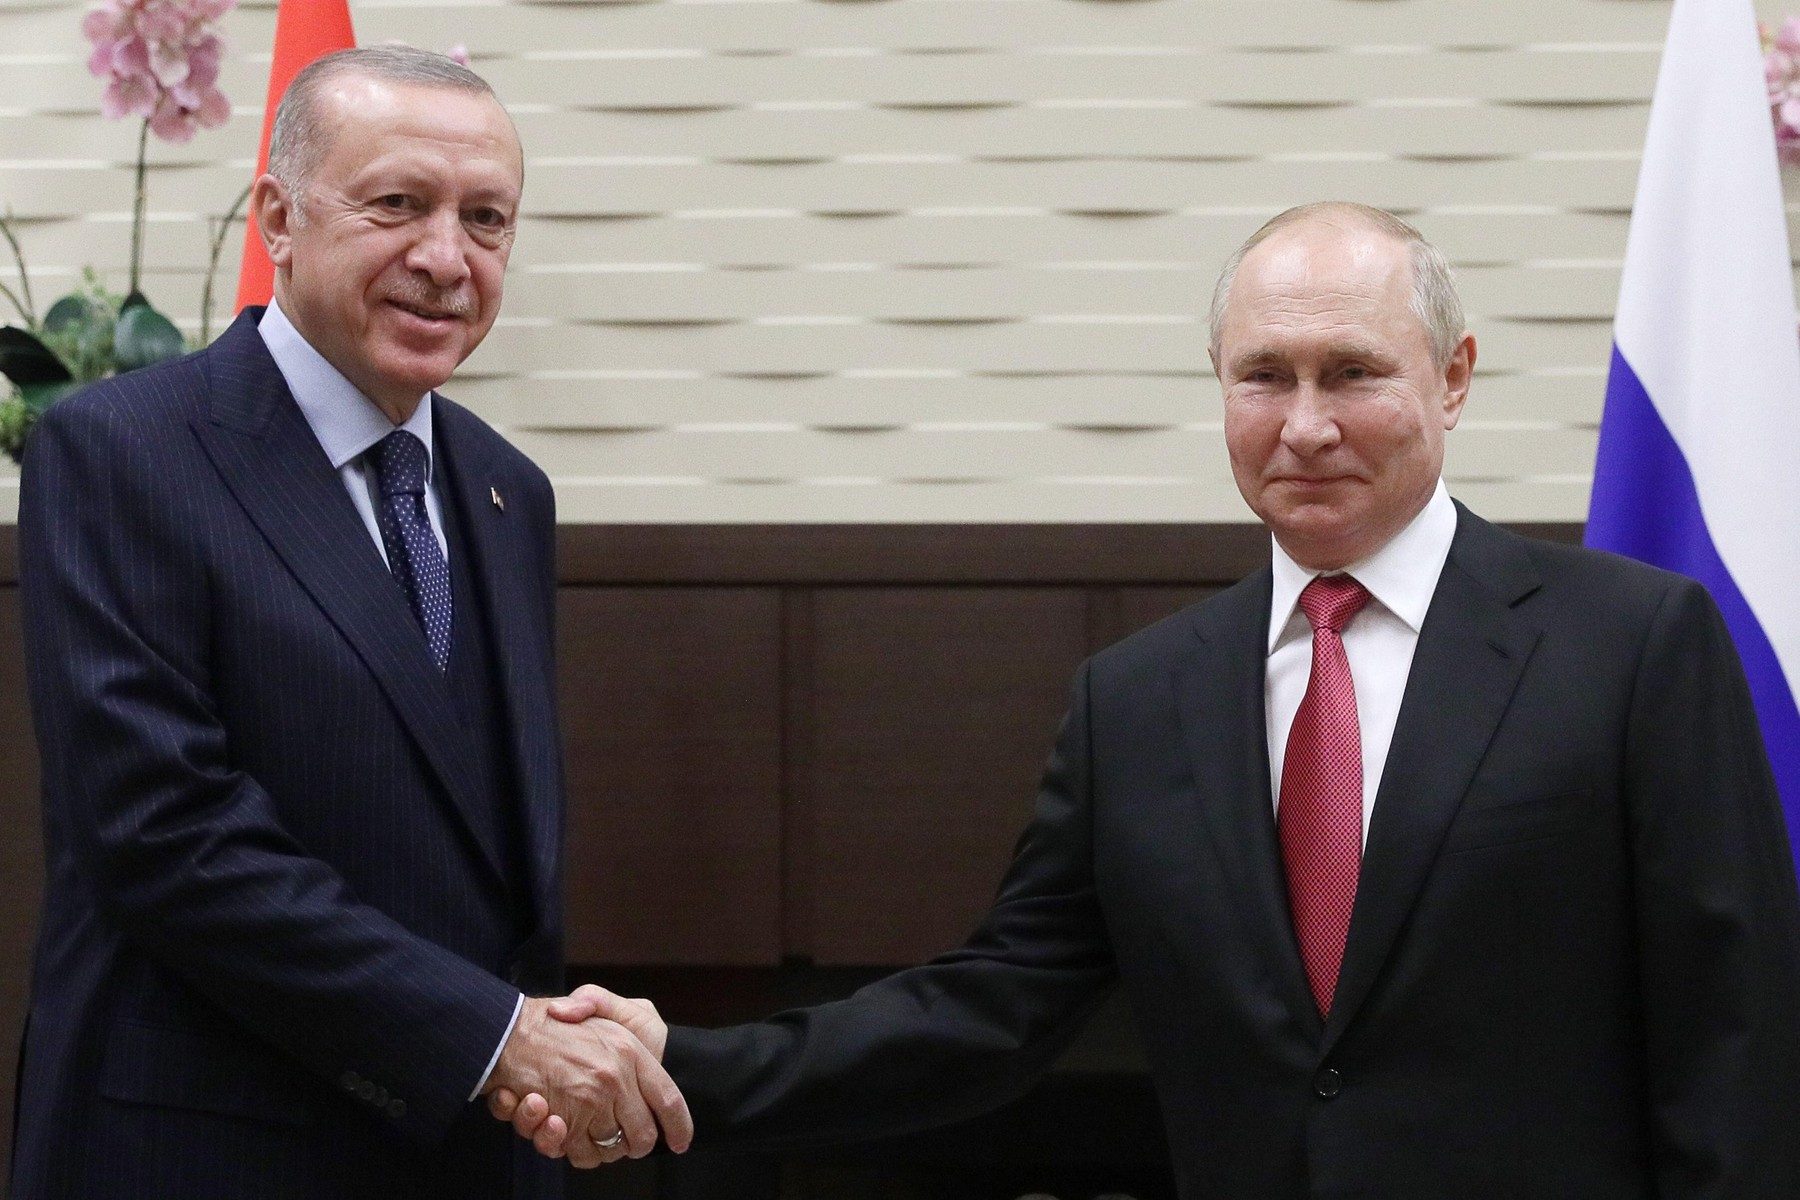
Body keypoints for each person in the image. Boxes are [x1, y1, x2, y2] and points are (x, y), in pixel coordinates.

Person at [501, 202, 1800, 1196]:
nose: (1303, 424)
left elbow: (1735, 1039)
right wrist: (679, 1064)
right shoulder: (1140, 702)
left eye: (1351, 371)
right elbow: (985, 1012)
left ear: (1453, 379)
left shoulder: (1632, 646)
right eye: (1262, 376)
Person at [10, 46, 688, 1200]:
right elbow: (167, 839)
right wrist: (495, 1038)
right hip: (204, 1152)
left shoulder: (504, 492)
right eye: (398, 205)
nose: (446, 258)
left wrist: (561, 1031)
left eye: (487, 220)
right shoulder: (123, 451)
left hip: (467, 1153)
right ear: (278, 215)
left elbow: (480, 856)